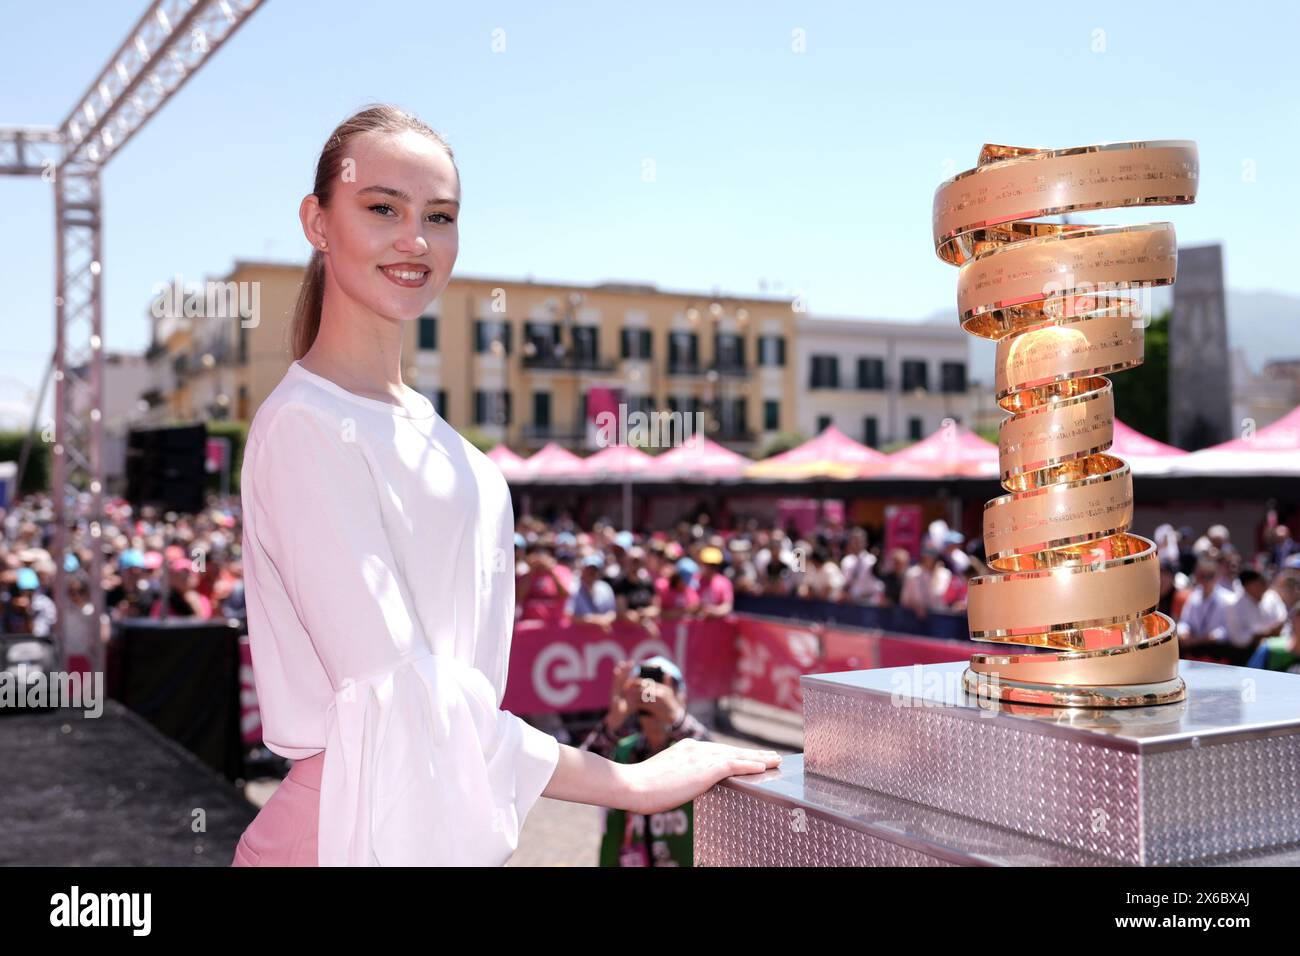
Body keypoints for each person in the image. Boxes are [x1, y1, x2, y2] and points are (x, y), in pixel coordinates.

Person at [233, 105, 779, 868]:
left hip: (428, 830)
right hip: (339, 836)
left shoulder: (451, 446)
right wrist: (627, 782)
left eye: (441, 216)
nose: (415, 240)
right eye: (382, 207)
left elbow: (449, 702)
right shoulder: (302, 426)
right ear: (317, 223)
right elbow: (404, 692)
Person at [579, 656, 710, 866]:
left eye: (665, 689)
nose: (653, 697)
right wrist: (615, 719)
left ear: (681, 698)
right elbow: (581, 771)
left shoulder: (691, 754)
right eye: (645, 690)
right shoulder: (625, 753)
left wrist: (676, 717)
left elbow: (715, 754)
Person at [1177, 559, 1236, 646]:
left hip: (1218, 650)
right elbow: (1184, 622)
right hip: (1194, 648)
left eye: (1209, 576)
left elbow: (1229, 630)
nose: (1205, 580)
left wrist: (1211, 637)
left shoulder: (1228, 599)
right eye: (1201, 576)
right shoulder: (1193, 597)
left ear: (1218, 576)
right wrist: (1184, 632)